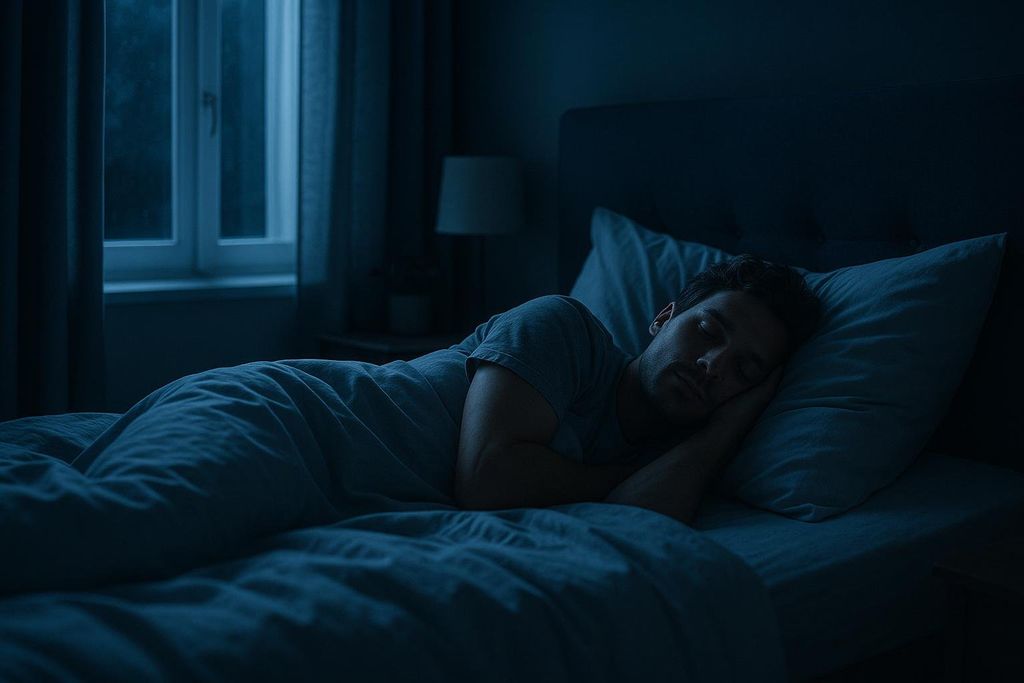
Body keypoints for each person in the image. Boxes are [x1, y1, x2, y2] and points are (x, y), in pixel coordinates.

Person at [453, 254, 820, 524]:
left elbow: (630, 527)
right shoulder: (564, 328)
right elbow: (486, 480)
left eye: (744, 370)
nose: (713, 365)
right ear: (663, 319)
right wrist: (621, 478)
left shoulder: (672, 465)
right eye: (707, 331)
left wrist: (723, 432)